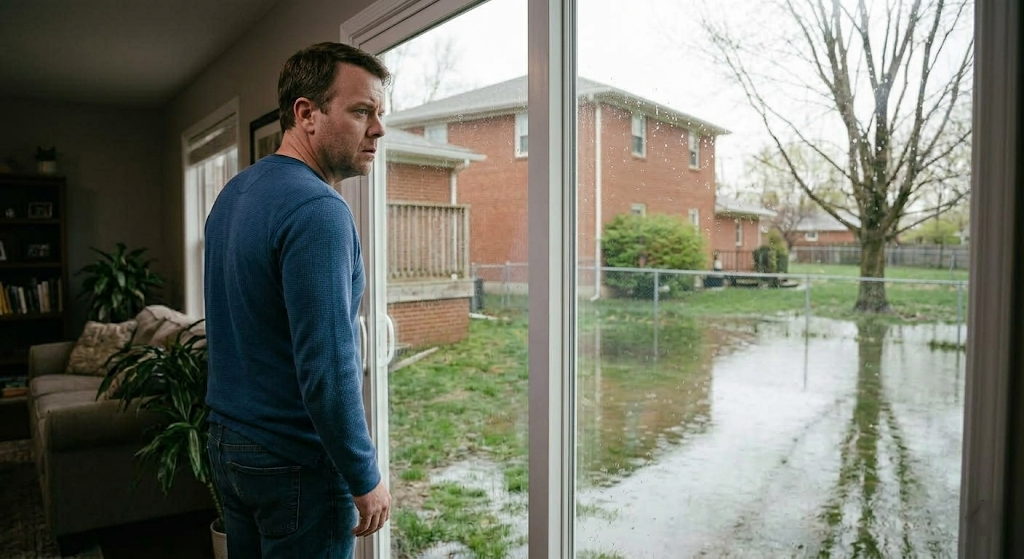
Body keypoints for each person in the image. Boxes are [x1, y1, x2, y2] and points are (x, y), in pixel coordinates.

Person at [203, 42, 392, 559]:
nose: (378, 128)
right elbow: (327, 370)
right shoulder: (318, 211)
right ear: (306, 114)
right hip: (293, 462)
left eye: (380, 114)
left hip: (229, 445)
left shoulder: (233, 195)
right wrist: (364, 473)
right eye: (361, 111)